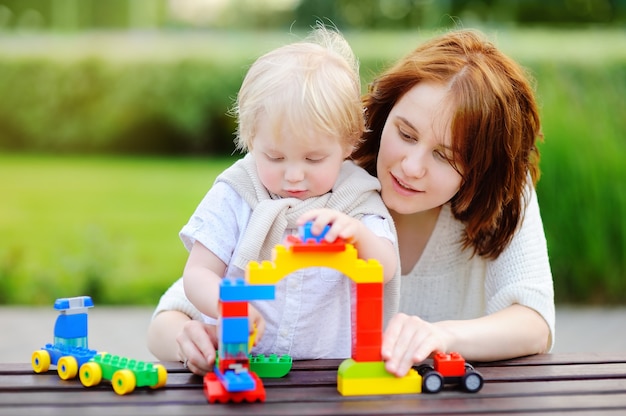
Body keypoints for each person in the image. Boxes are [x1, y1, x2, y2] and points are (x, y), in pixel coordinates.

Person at [147, 28, 555, 378]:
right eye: (406, 134)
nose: (410, 167)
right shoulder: (324, 175)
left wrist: (443, 334)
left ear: (482, 169)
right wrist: (190, 339)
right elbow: (172, 316)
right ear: (379, 115)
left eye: (445, 156)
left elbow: (535, 326)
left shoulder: (503, 192)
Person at [150, 25, 400, 374]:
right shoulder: (237, 192)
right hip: (244, 364)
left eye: (314, 159)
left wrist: (357, 235)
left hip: (327, 373)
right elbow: (199, 273)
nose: (294, 175)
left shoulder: (356, 198)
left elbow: (385, 269)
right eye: (275, 157)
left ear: (349, 143)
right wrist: (227, 306)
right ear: (252, 139)